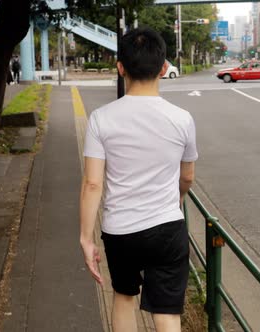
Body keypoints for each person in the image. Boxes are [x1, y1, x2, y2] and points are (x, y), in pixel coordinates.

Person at [80, 28, 197, 332]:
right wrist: (176, 199)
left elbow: (93, 184)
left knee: (123, 298)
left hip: (120, 230)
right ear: (162, 68)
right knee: (167, 312)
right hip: (167, 227)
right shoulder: (182, 118)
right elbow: (187, 176)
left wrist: (86, 238)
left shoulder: (100, 118)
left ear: (120, 68)